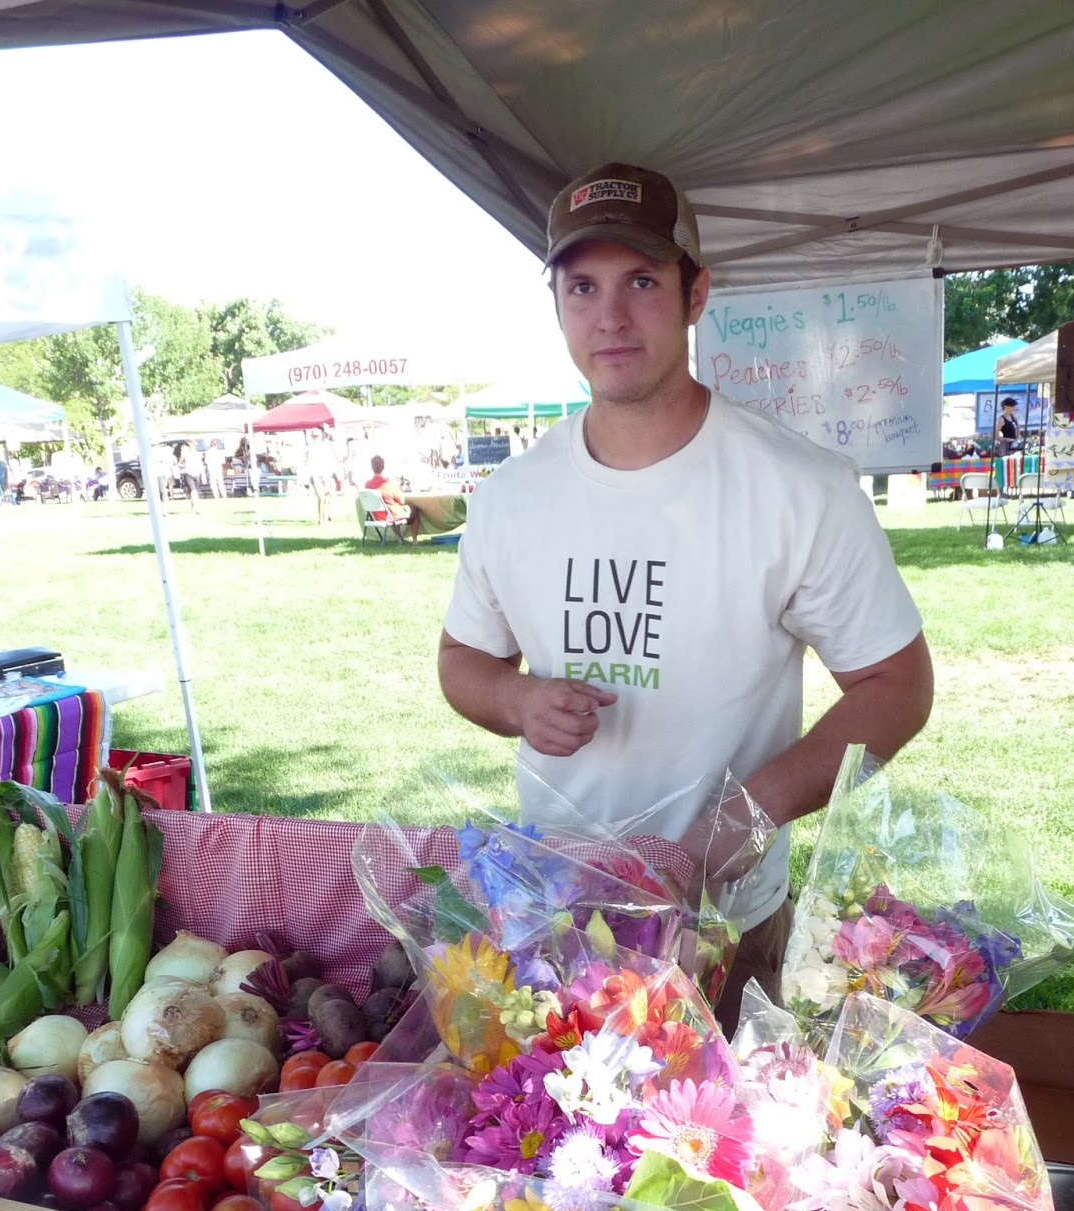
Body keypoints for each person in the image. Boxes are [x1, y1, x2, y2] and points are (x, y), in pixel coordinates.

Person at [438, 161, 933, 1034]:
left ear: (695, 293)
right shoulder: (512, 495)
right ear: (557, 304)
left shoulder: (797, 488)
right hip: (552, 915)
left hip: (728, 918)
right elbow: (461, 662)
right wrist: (515, 698)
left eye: (641, 280)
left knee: (720, 1156)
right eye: (582, 287)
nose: (611, 316)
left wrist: (737, 823)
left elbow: (897, 687)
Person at [363, 454, 417, 543]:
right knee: (414, 510)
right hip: (391, 516)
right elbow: (402, 501)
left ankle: (400, 540)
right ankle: (415, 541)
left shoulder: (367, 485)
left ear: (372, 467)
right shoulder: (389, 484)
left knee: (391, 510)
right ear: (383, 467)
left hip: (377, 516)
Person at [306, 427, 338, 526]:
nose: (315, 437)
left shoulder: (326, 446)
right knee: (321, 497)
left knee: (326, 496)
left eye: (316, 435)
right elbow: (305, 461)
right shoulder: (308, 447)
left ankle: (326, 516)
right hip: (315, 474)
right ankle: (321, 519)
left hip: (325, 474)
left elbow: (331, 460)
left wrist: (332, 473)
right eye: (313, 435)